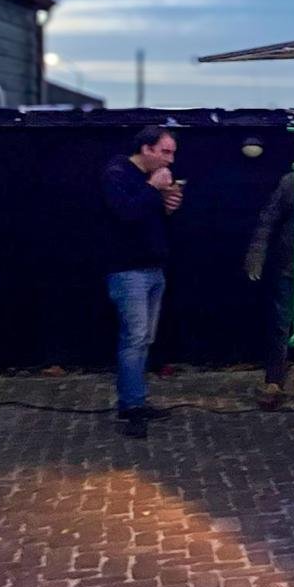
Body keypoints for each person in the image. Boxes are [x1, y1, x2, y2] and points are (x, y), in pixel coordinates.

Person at [103, 125, 183, 437]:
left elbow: (147, 218)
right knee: (134, 338)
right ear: (146, 149)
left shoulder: (150, 179)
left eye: (173, 153)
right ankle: (132, 407)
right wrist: (152, 188)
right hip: (128, 270)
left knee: (144, 339)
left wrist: (168, 207)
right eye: (165, 152)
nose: (170, 160)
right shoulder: (116, 172)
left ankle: (134, 400)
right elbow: (125, 213)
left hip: (153, 268)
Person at [246, 170, 294, 409]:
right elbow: (268, 220)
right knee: (281, 325)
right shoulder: (293, 182)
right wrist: (256, 255)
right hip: (290, 266)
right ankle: (275, 382)